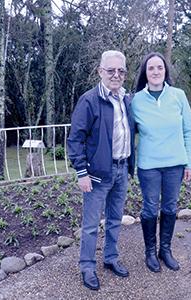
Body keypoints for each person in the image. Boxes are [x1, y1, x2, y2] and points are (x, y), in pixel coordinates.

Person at [68, 50, 135, 290]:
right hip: (96, 175)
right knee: (90, 224)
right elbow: (75, 139)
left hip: (121, 169)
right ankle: (87, 267)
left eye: (121, 71)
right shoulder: (89, 100)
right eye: (111, 70)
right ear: (100, 72)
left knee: (115, 219)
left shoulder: (127, 99)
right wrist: (81, 172)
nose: (116, 75)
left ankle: (110, 258)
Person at [132, 52, 191, 273]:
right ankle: (150, 252)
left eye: (160, 67)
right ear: (145, 73)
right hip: (149, 166)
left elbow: (189, 130)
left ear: (165, 70)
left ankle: (165, 250)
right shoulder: (136, 100)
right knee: (150, 209)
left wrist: (189, 162)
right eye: (151, 68)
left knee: (169, 207)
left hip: (175, 165)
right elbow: (128, 133)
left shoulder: (178, 95)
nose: (156, 71)